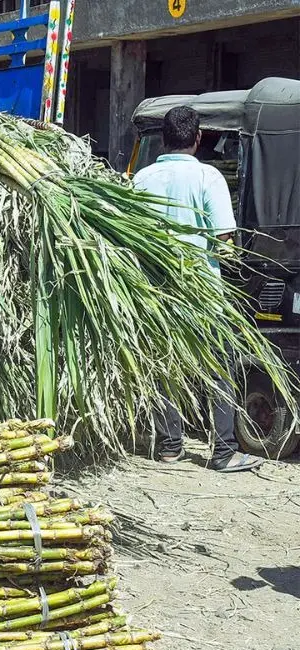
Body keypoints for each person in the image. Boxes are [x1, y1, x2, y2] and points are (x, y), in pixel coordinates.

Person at [133, 105, 262, 473]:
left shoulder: (141, 180)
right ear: (199, 138)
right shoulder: (208, 178)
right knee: (217, 368)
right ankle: (223, 452)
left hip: (155, 293)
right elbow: (224, 236)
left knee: (163, 366)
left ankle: (170, 446)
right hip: (202, 294)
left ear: (163, 138)